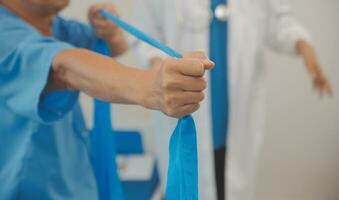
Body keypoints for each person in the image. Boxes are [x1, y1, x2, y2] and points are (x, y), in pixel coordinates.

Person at [0, 0, 214, 199]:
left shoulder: (57, 27)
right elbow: (64, 68)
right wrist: (151, 87)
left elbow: (112, 49)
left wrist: (109, 34)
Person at [133, 0, 333, 199]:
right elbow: (145, 34)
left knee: (230, 185)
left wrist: (305, 47)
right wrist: (157, 67)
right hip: (181, 118)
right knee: (187, 183)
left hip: (237, 128)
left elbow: (279, 22)